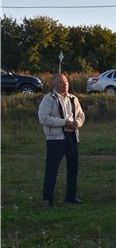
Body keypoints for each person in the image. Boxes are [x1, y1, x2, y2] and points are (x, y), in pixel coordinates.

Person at [38, 74, 86, 207]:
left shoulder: (73, 98)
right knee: (52, 169)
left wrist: (77, 123)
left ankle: (71, 196)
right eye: (60, 82)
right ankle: (48, 199)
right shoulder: (48, 99)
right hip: (56, 138)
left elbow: (81, 114)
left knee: (73, 168)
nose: (64, 84)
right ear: (53, 85)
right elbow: (43, 118)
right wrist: (64, 123)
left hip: (72, 137)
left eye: (65, 82)